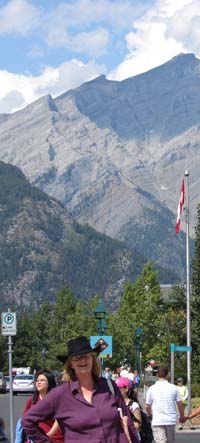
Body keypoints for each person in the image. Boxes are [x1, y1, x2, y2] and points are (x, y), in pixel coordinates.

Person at [22, 336, 139, 443]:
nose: (82, 361)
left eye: (86, 356)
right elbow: (28, 421)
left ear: (92, 359)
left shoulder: (109, 386)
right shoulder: (60, 394)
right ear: (71, 364)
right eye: (77, 358)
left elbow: (128, 421)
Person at [146, 365, 185, 443]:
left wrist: (150, 414)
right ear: (168, 375)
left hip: (158, 420)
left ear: (157, 374)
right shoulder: (174, 388)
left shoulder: (151, 389)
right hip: (170, 420)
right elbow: (179, 404)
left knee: (161, 441)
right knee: (170, 441)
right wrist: (182, 416)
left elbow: (147, 406)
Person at [22, 369, 63, 443]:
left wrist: (50, 434)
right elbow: (25, 419)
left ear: (50, 383)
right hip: (36, 439)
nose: (38, 382)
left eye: (42, 380)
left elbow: (59, 420)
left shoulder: (57, 400)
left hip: (55, 438)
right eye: (37, 380)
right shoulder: (31, 400)